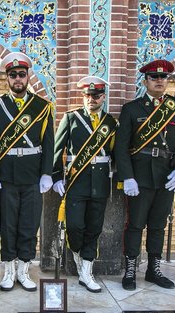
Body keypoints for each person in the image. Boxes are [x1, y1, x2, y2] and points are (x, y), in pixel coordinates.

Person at [114, 59, 175, 291]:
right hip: (139, 176)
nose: (160, 81)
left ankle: (154, 269)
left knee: (158, 226)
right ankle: (131, 269)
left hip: (166, 176)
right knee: (135, 225)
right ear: (145, 81)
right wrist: (127, 176)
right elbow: (121, 146)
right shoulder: (133, 109)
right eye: (154, 77)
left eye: (164, 77)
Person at [0, 52, 54, 292]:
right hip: (6, 176)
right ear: (7, 78)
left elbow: (49, 142)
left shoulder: (42, 107)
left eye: (21, 75)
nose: (17, 79)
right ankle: (8, 270)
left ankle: (24, 270)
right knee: (8, 226)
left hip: (33, 175)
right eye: (13, 75)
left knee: (29, 225)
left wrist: (47, 173)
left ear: (28, 77)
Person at [52, 76, 118, 292]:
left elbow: (116, 154)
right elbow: (58, 149)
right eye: (88, 96)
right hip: (76, 182)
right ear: (83, 97)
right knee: (75, 226)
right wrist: (55, 177)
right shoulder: (71, 118)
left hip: (100, 183)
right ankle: (80, 259)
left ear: (103, 97)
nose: (92, 99)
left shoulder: (110, 123)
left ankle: (86, 271)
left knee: (94, 228)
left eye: (96, 96)